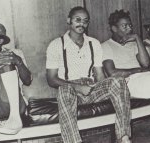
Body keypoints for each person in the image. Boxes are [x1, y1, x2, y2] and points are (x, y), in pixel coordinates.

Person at [46, 6, 131, 143]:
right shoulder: (56, 45)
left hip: (91, 88)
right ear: (69, 21)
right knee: (64, 90)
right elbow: (51, 79)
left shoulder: (94, 43)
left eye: (85, 21)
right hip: (70, 90)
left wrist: (107, 86)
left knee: (118, 81)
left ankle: (124, 138)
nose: (81, 24)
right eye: (77, 20)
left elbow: (99, 75)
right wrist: (77, 87)